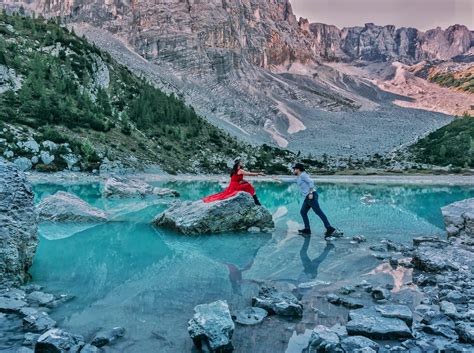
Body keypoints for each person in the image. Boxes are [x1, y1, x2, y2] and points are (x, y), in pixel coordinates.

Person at [275, 163, 337, 237]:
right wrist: (279, 179)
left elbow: (311, 182)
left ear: (298, 169)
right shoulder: (298, 177)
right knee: (303, 212)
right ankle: (307, 229)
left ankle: (329, 228)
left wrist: (310, 193)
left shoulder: (303, 175)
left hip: (311, 196)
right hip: (308, 197)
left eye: (294, 169)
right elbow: (290, 180)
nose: (293, 171)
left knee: (318, 212)